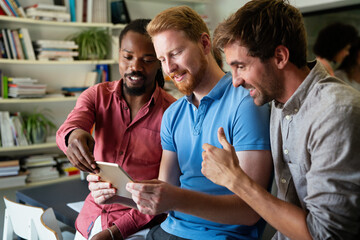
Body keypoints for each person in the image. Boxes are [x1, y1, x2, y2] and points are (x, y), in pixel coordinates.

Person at [89, 6, 273, 240]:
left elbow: (250, 212)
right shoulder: (174, 114)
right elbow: (165, 199)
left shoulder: (246, 104)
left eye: (175, 53)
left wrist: (174, 198)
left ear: (205, 44)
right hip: (168, 231)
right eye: (162, 59)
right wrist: (116, 195)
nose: (168, 69)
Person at [201, 1, 360, 240]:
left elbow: (324, 235)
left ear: (279, 56)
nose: (235, 81)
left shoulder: (336, 112)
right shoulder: (278, 101)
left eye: (241, 66)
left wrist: (236, 180)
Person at [56, 19, 176, 240]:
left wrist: (114, 233)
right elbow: (70, 126)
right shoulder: (97, 95)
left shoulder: (173, 113)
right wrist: (74, 137)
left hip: (140, 227)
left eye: (147, 60)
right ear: (119, 55)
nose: (135, 67)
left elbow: (167, 192)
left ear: (160, 61)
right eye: (128, 57)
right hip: (91, 218)